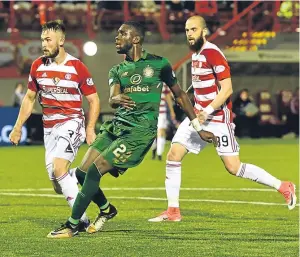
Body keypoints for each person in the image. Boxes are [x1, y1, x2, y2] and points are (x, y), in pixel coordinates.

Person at [47, 20, 217, 239]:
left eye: (122, 34)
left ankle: (72, 225)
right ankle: (107, 209)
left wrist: (198, 127)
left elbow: (181, 95)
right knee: (81, 173)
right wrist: (116, 98)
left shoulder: (159, 64)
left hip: (139, 133)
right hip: (116, 127)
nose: (117, 37)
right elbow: (113, 96)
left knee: (93, 172)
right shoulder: (117, 70)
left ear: (136, 39)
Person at [148, 15, 297, 222]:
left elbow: (227, 89)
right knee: (173, 155)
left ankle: (283, 186)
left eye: (193, 29)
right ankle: (173, 211)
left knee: (233, 167)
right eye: (187, 30)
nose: (189, 34)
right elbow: (202, 86)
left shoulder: (212, 53)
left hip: (218, 118)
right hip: (198, 116)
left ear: (204, 31)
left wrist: (207, 110)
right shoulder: (196, 55)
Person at [9, 20, 100, 230]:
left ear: (61, 41)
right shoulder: (37, 66)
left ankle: (81, 221)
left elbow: (94, 100)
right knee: (58, 183)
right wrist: (17, 127)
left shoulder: (77, 66)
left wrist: (90, 128)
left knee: (59, 168)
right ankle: (77, 176)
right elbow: (29, 98)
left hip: (72, 121)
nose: (43, 44)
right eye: (42, 40)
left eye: (48, 39)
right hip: (49, 128)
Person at [152, 83, 176, 161]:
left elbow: (168, 96)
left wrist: (172, 111)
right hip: (151, 112)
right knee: (154, 133)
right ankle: (154, 149)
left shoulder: (163, 84)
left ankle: (159, 154)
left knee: (161, 132)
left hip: (162, 112)